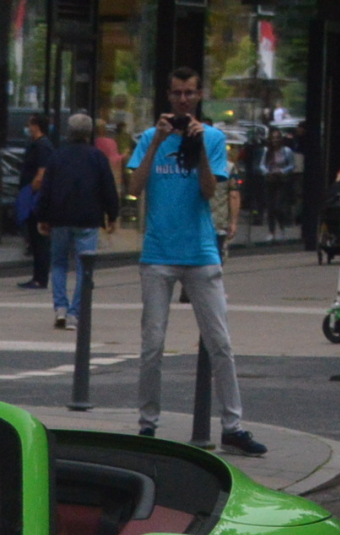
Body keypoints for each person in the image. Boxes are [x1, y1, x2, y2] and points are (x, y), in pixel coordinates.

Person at [129, 68, 263, 455]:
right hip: (158, 253)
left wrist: (200, 145)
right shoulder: (149, 139)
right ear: (168, 97)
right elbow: (134, 190)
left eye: (189, 93)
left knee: (220, 342)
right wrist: (157, 140)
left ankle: (233, 425)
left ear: (199, 95)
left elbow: (208, 190)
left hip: (200, 252)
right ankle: (147, 424)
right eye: (176, 94)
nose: (183, 101)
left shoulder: (214, 138)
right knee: (152, 345)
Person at [34, 111, 119, 330]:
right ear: (89, 133)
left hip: (60, 216)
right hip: (88, 217)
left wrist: (43, 216)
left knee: (59, 263)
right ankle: (75, 313)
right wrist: (113, 214)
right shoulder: (97, 157)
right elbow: (108, 188)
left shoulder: (57, 156)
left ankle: (60, 308)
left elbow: (46, 189)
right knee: (85, 267)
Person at [16, 113, 53, 288]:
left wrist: (32, 192)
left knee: (39, 238)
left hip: (35, 197)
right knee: (34, 237)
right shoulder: (37, 145)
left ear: (36, 126)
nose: (28, 127)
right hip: (32, 194)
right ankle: (37, 276)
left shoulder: (42, 146)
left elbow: (42, 171)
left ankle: (40, 278)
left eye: (30, 124)